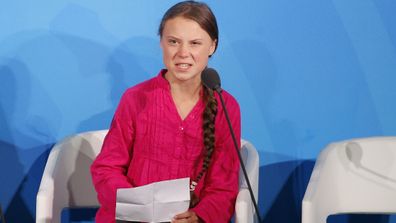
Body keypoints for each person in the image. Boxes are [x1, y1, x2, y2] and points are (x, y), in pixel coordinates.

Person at [90, 1, 241, 222]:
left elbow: (224, 185)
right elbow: (106, 168)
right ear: (161, 43)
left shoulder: (226, 107)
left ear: (212, 46)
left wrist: (200, 216)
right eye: (173, 42)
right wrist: (135, 206)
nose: (183, 53)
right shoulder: (135, 98)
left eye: (195, 43)